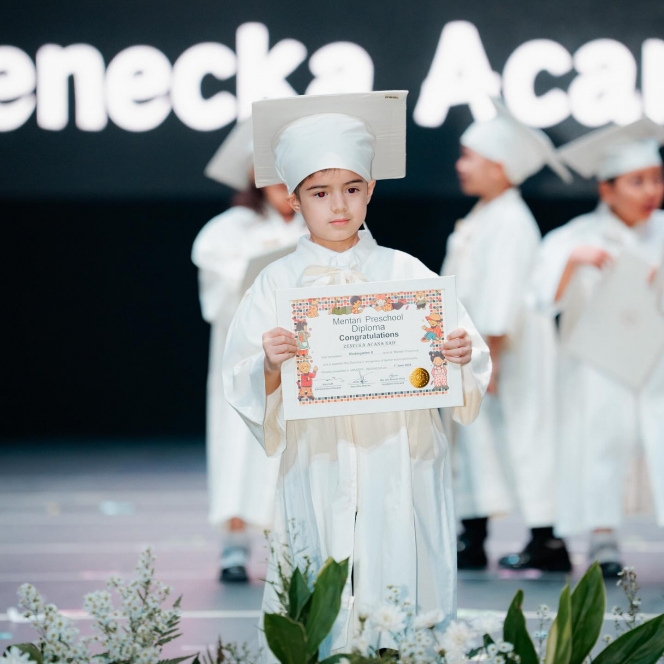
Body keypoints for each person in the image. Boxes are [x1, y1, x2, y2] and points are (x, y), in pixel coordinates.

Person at [223, 91, 491, 660]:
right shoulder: (275, 283)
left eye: (352, 188)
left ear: (370, 189)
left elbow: (464, 358)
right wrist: (268, 364)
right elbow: (241, 378)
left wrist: (463, 354)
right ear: (294, 199)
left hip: (401, 451)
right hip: (318, 457)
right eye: (320, 193)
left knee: (404, 563)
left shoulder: (406, 271)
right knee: (321, 567)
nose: (338, 206)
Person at [441, 99, 573, 572]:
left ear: (500, 167)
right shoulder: (484, 215)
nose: (461, 166)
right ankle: (473, 534)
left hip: (507, 352)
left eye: (469, 156)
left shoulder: (511, 221)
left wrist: (489, 357)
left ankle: (547, 538)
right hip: (476, 350)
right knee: (476, 440)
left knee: (525, 436)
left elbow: (504, 293)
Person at [532, 118, 664, 577]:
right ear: (607, 190)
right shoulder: (573, 237)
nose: (650, 191)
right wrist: (572, 265)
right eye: (637, 181)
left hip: (655, 361)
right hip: (597, 364)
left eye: (656, 179)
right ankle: (603, 536)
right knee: (599, 444)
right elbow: (539, 301)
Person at [191, 120, 307, 582]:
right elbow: (218, 296)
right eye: (272, 178)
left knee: (292, 446)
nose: (283, 189)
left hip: (297, 357)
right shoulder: (227, 230)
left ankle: (292, 542)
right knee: (238, 442)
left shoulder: (315, 222)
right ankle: (236, 544)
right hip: (246, 356)